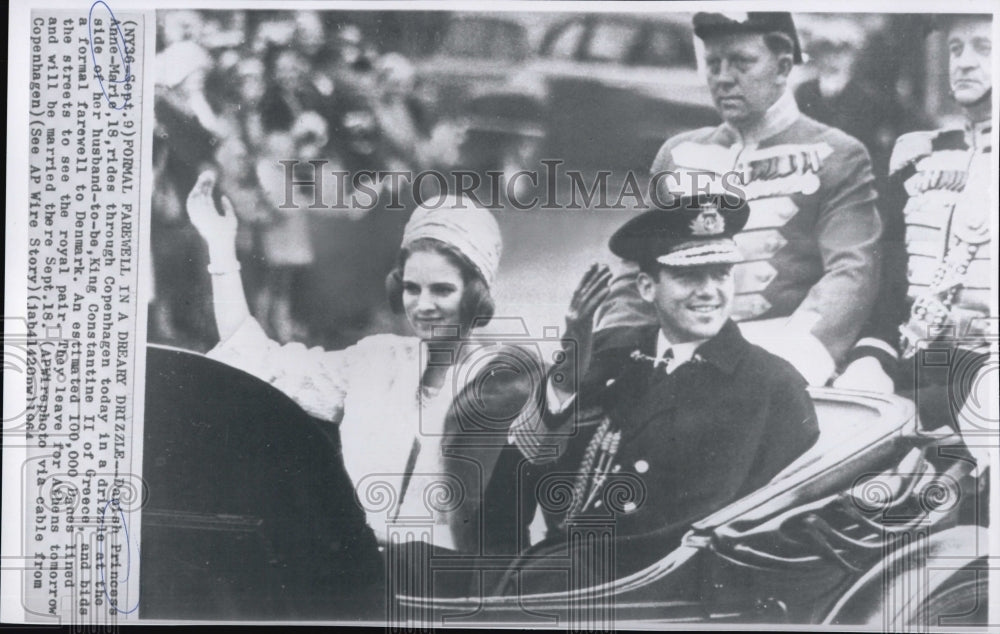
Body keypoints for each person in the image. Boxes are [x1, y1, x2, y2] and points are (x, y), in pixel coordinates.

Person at [184, 172, 543, 583]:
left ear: (476, 295)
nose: (423, 305)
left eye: (442, 290)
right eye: (412, 288)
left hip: (448, 589)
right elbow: (256, 360)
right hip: (355, 580)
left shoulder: (504, 384)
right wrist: (220, 247)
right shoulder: (374, 359)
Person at [506, 194, 819, 593]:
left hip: (652, 590)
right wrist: (568, 367)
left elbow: (760, 533)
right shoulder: (616, 352)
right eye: (689, 277)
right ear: (646, 287)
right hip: (562, 565)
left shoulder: (773, 385)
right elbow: (532, 456)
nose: (709, 291)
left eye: (721, 274)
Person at [594, 12, 882, 386]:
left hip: (778, 361)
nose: (723, 77)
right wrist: (614, 355)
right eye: (713, 64)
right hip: (677, 364)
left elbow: (851, 272)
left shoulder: (838, 155)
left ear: (782, 67)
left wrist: (791, 365)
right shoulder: (677, 153)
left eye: (741, 62)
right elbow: (638, 271)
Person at [835, 14, 993, 443]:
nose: (963, 61)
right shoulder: (920, 157)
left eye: (983, 47)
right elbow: (889, 284)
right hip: (915, 365)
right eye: (956, 48)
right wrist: (872, 358)